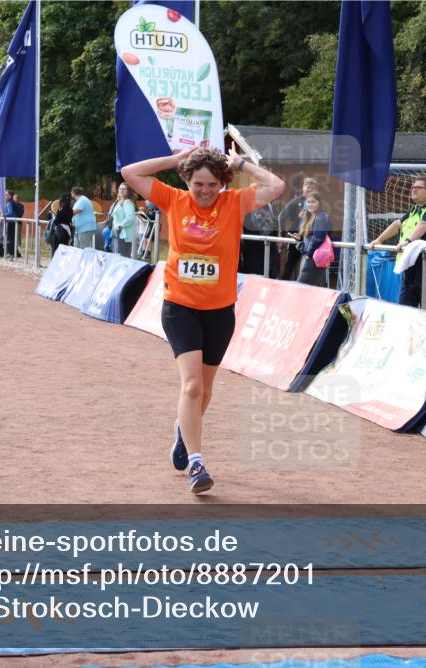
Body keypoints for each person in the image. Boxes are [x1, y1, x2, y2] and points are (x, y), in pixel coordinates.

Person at [122, 147, 284, 494]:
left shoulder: (235, 203)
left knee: (205, 389)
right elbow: (130, 172)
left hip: (220, 311)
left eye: (212, 184)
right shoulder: (174, 199)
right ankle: (197, 462)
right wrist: (175, 157)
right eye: (198, 183)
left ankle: (184, 431)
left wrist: (241, 164)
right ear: (187, 180)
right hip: (180, 306)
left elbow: (278, 186)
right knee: (192, 385)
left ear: (221, 183)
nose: (205, 190)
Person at [368, 177, 426, 309]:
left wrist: (407, 241)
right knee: (406, 304)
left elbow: (423, 225)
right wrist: (379, 239)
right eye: (413, 187)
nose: (413, 189)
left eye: (418, 187)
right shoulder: (415, 209)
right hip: (412, 262)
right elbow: (398, 224)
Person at [277, 176, 317, 280]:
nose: (309, 189)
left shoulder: (316, 203)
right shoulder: (296, 201)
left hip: (308, 238)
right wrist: (281, 235)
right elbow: (281, 216)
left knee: (308, 266)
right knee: (290, 264)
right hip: (295, 237)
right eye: (308, 187)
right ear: (303, 187)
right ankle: (282, 285)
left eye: (312, 187)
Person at [291, 192, 330, 287]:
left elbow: (318, 238)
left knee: (302, 287)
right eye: (308, 202)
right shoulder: (311, 216)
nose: (310, 204)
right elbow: (311, 235)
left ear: (319, 203)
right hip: (308, 256)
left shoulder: (321, 217)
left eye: (313, 202)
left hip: (313, 258)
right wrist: (300, 237)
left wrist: (309, 254)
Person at [239, 197, 280, 278]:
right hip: (253, 254)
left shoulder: (271, 206)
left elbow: (275, 224)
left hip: (271, 252)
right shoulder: (247, 208)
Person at [109, 183, 137, 258]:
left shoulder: (128, 202)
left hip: (124, 232)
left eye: (124, 189)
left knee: (124, 255)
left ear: (128, 191)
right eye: (120, 188)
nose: (121, 190)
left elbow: (130, 218)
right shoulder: (120, 201)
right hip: (119, 231)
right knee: (121, 253)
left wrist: (120, 225)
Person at [4, 192, 25, 258]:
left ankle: (11, 253)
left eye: (6, 195)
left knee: (10, 238)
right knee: (11, 238)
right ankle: (12, 253)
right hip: (13, 222)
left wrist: (3, 215)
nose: (5, 196)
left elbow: (10, 212)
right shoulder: (12, 203)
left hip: (11, 222)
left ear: (10, 196)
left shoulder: (10, 203)